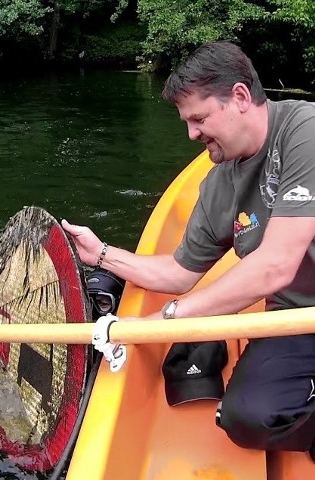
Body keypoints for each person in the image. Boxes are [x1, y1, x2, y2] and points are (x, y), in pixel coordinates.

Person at [62, 40, 315, 458]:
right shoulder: (218, 184)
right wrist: (102, 253)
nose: (192, 133)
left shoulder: (304, 131)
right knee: (246, 419)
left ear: (239, 97)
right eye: (187, 122)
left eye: (199, 118)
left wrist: (168, 318)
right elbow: (180, 272)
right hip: (293, 320)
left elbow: (275, 267)